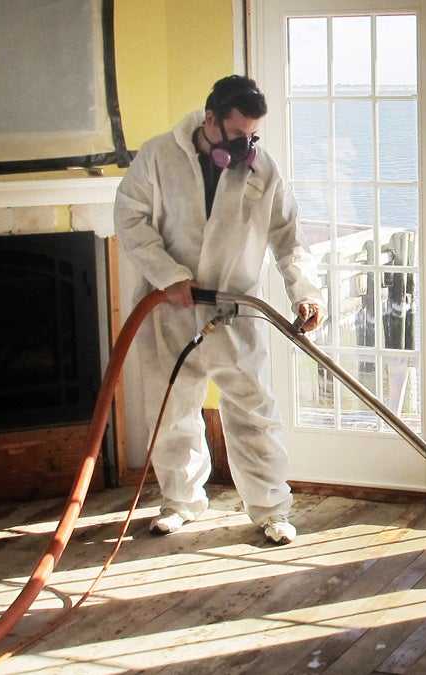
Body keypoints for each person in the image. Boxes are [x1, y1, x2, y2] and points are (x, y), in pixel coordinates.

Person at [113, 75, 325, 545]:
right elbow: (130, 217)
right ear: (210, 119)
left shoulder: (261, 169)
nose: (246, 146)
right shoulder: (158, 157)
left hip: (233, 307)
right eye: (237, 135)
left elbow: (289, 238)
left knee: (253, 409)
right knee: (171, 407)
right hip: (171, 305)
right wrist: (168, 274)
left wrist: (305, 292)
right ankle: (181, 499)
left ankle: (271, 508)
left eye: (253, 135)